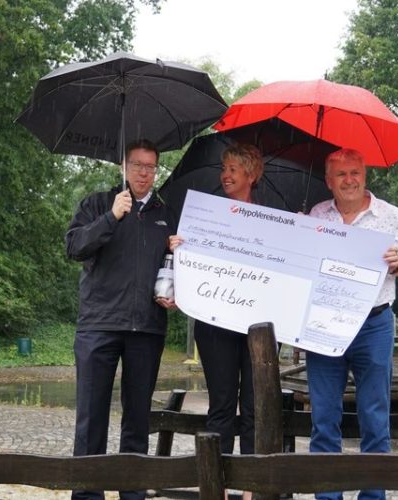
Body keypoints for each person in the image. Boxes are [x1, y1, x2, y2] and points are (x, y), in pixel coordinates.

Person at [306, 148, 398, 500]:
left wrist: (396, 264)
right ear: (328, 181)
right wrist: (300, 234)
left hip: (373, 324)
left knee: (375, 416)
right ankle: (328, 496)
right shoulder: (316, 214)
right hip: (326, 323)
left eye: (355, 172)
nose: (349, 180)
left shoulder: (390, 215)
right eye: (341, 175)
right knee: (324, 416)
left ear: (365, 175)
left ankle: (372, 496)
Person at [65, 139, 176, 500]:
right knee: (91, 419)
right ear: (124, 167)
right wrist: (111, 217)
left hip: (146, 328)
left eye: (150, 166)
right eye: (137, 165)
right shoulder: (98, 203)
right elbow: (74, 247)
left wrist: (177, 279)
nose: (144, 173)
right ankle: (87, 495)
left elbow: (175, 273)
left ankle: (133, 494)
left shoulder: (166, 213)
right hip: (98, 326)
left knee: (137, 421)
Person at [169, 143, 264, 500]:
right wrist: (180, 248)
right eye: (223, 168)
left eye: (234, 169)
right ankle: (218, 486)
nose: (225, 175)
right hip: (215, 326)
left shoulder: (273, 220)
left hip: (257, 329)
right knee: (222, 405)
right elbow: (189, 269)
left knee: (256, 407)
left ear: (252, 175)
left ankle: (254, 486)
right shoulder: (203, 217)